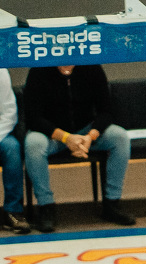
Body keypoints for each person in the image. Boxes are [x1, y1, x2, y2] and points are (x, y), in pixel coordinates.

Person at [22, 64, 134, 233]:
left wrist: (90, 137)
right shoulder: (38, 71)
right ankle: (46, 207)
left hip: (85, 132)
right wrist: (66, 138)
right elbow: (33, 117)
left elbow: (106, 112)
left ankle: (112, 204)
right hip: (52, 134)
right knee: (33, 144)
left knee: (120, 137)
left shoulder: (92, 68)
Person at [0, 71, 29, 234]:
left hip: (0, 133)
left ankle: (13, 211)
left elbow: (9, 113)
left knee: (12, 148)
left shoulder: (1, 71)